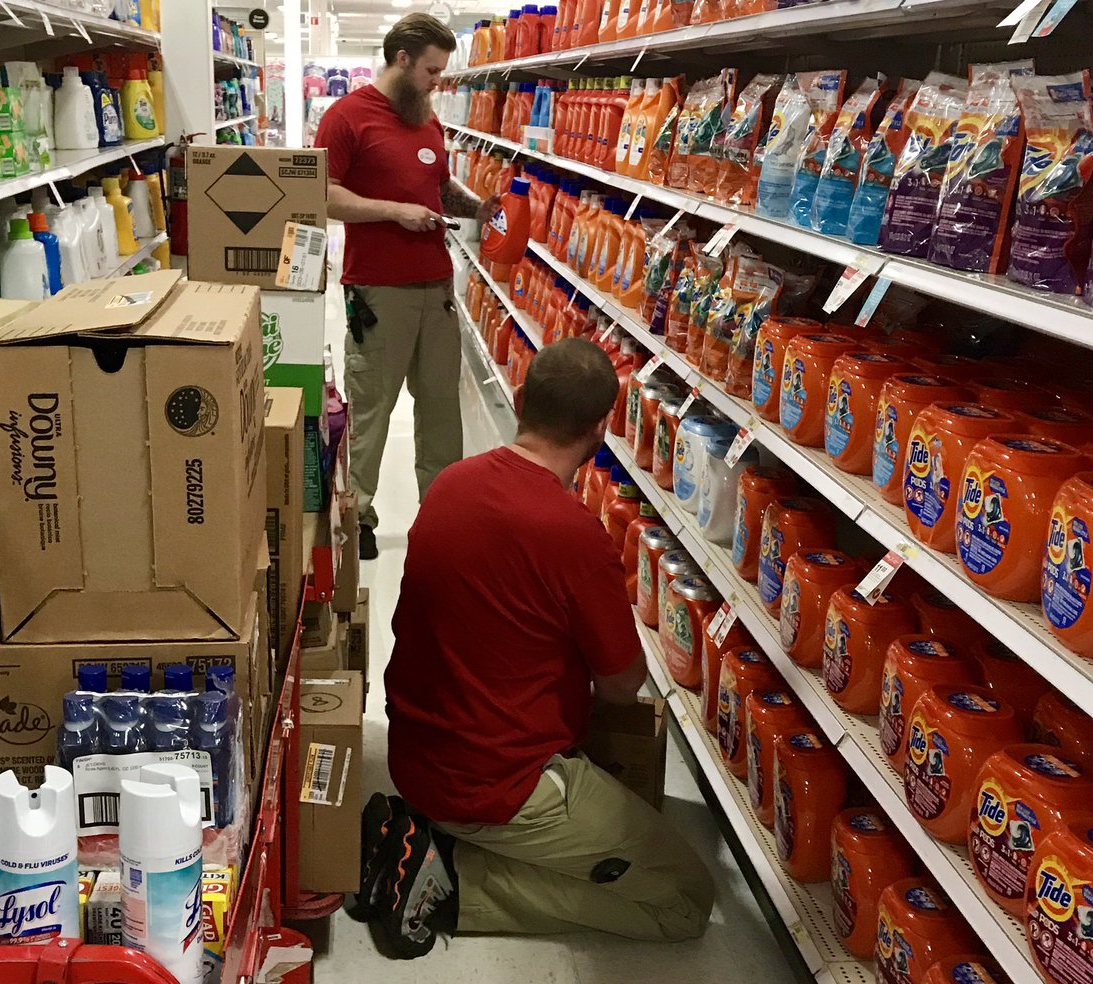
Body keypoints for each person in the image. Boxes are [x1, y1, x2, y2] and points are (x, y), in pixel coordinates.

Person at [360, 338, 716, 958]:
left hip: (415, 755)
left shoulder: (450, 484)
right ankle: (447, 881)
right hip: (499, 784)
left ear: (521, 399)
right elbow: (619, 685)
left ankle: (423, 836)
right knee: (685, 901)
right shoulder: (574, 535)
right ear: (600, 429)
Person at [315, 13, 499, 560]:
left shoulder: (428, 122)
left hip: (435, 289)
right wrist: (393, 212)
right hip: (378, 293)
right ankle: (359, 514)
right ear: (401, 60)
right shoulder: (347, 118)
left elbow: (437, 188)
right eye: (431, 71)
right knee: (372, 409)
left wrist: (479, 209)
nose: (438, 83)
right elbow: (322, 195)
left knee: (442, 409)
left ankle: (443, 515)